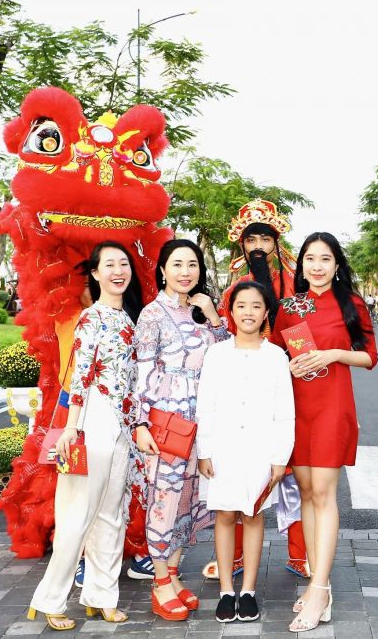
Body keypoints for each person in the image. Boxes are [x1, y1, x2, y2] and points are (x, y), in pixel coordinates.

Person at [27, 241, 154, 631]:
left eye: (123, 264)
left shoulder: (127, 319)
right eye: (109, 265)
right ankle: (50, 600)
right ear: (95, 274)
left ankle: (101, 597)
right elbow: (80, 376)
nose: (118, 271)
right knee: (77, 514)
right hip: (92, 420)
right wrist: (72, 427)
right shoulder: (91, 318)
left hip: (121, 426)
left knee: (112, 516)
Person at [273, 232, 378, 633]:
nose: (317, 266)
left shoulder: (352, 304)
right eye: (310, 259)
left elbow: (369, 356)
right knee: (305, 493)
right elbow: (275, 354)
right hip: (296, 408)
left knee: (323, 492)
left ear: (337, 265)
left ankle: (317, 589)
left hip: (333, 405)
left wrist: (334, 354)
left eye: (325, 259)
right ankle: (320, 584)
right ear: (301, 265)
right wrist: (287, 364)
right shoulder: (288, 307)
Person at [204, 199, 309, 581]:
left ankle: (300, 554)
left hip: (290, 383)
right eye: (252, 240)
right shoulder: (235, 287)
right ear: (243, 246)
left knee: (293, 476)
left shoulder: (295, 285)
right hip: (243, 389)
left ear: (276, 243)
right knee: (234, 482)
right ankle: (232, 559)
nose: (259, 247)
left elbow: (303, 340)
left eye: (265, 239)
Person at [132, 238, 231, 621]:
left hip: (203, 420)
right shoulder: (152, 315)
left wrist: (213, 315)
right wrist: (141, 423)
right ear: (162, 270)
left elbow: (227, 355)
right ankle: (160, 583)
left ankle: (173, 576)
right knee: (165, 499)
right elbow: (141, 372)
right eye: (177, 264)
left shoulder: (201, 310)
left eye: (192, 264)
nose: (185, 272)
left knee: (189, 500)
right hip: (167, 421)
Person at [197, 281, 296, 623]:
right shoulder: (216, 354)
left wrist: (280, 458)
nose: (248, 312)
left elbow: (285, 411)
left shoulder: (276, 356)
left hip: (260, 448)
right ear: (231, 311)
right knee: (225, 515)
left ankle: (249, 590)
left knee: (254, 515)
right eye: (241, 305)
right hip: (222, 447)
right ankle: (227, 590)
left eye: (256, 306)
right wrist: (204, 450)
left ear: (266, 312)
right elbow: (205, 405)